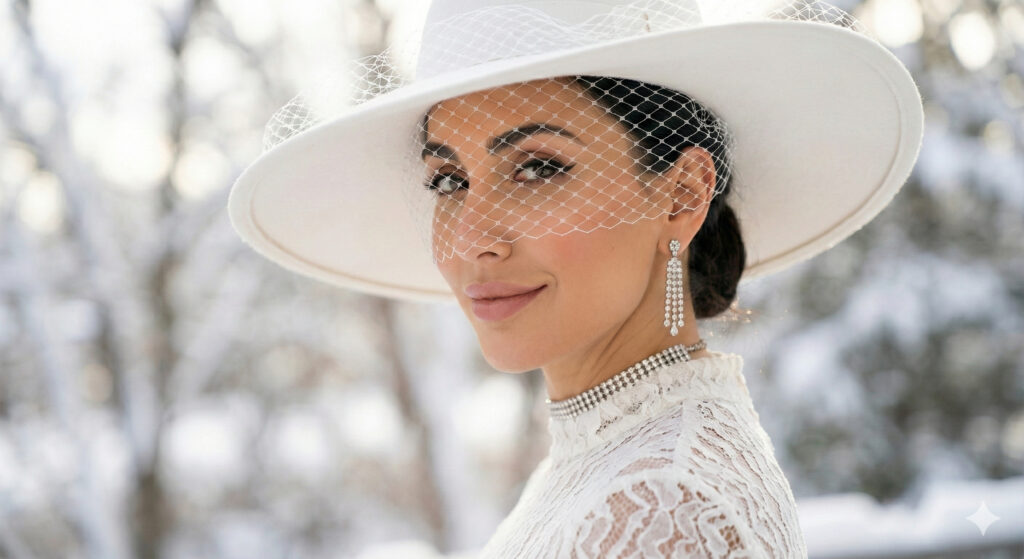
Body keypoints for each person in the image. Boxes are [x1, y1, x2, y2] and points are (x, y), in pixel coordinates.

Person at [228, 0, 924, 556]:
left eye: (536, 167)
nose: (471, 238)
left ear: (681, 194)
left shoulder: (661, 507)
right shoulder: (612, 460)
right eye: (448, 178)